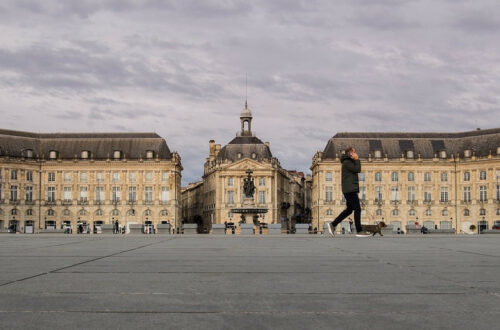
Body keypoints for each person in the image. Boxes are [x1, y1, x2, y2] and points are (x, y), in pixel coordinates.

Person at [327, 146, 371, 237]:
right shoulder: (347, 162)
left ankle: (333, 224)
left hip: (349, 189)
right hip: (350, 189)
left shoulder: (348, 162)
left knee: (349, 210)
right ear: (349, 153)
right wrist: (357, 159)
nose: (355, 153)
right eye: (353, 152)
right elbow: (358, 169)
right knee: (357, 209)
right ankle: (359, 231)